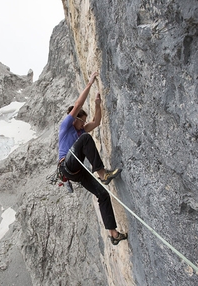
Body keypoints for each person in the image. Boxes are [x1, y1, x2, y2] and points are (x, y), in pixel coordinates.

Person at [58, 71, 128, 245]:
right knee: (86, 139)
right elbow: (78, 103)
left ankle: (113, 234)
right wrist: (89, 83)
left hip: (78, 171)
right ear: (74, 119)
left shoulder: (81, 131)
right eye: (81, 121)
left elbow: (96, 122)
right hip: (66, 165)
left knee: (102, 194)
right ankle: (103, 174)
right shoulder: (66, 126)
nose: (83, 124)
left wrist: (98, 104)